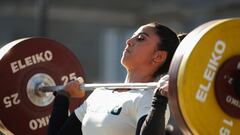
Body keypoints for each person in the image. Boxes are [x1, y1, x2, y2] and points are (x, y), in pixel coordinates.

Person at [47, 22, 180, 135]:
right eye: (133, 36)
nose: (129, 41)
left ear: (159, 56)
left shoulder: (149, 99)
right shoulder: (100, 94)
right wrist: (63, 96)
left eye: (140, 38)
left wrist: (161, 100)